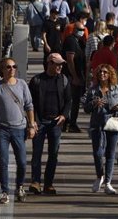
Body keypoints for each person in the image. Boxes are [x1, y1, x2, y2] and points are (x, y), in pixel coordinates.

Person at [0, 58, 36, 204]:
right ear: (2, 69)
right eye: (8, 67)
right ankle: (5, 191)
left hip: (19, 128)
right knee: (3, 161)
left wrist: (32, 125)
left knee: (21, 161)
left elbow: (29, 105)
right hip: (2, 128)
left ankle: (20, 187)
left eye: (14, 66)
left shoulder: (22, 85)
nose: (12, 69)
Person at [28, 53, 71, 196]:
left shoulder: (63, 80)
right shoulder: (37, 80)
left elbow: (68, 101)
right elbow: (30, 103)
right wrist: (33, 121)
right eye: (57, 64)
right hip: (40, 122)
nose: (59, 67)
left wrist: (64, 115)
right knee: (37, 153)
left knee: (53, 154)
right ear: (49, 63)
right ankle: (35, 182)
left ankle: (48, 184)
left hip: (55, 123)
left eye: (61, 64)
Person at [83, 63, 118, 195]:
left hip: (112, 121)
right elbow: (85, 108)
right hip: (97, 123)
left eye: (105, 72)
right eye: (100, 72)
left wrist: (117, 107)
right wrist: (94, 103)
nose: (102, 74)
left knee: (110, 153)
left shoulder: (117, 89)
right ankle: (99, 176)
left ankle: (108, 182)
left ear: (110, 74)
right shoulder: (93, 90)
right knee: (97, 153)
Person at [62, 21, 88, 132]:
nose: (82, 32)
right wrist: (75, 76)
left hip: (78, 75)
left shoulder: (80, 41)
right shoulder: (71, 40)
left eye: (83, 30)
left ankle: (72, 123)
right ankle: (67, 123)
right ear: (74, 29)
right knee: (71, 100)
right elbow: (70, 60)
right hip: (71, 76)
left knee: (76, 100)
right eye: (79, 30)